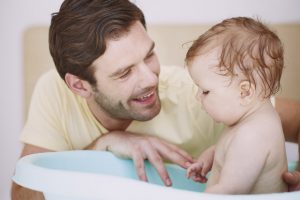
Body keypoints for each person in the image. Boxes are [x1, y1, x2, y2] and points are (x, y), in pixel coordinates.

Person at [11, 0, 300, 199]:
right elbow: (24, 195)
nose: (151, 79)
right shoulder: (55, 92)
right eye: (125, 73)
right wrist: (102, 144)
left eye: (149, 55)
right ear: (79, 86)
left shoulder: (202, 94)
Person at [185, 17, 287, 194]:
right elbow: (237, 153)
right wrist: (213, 155)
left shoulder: (253, 135)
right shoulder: (251, 122)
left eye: (205, 91)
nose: (198, 97)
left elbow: (230, 191)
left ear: (245, 92)